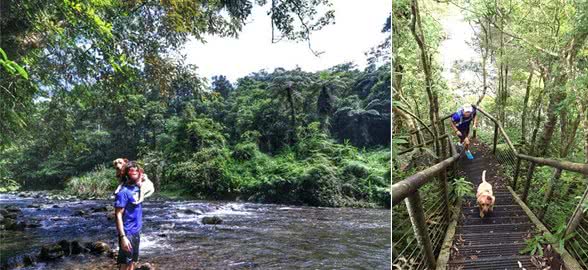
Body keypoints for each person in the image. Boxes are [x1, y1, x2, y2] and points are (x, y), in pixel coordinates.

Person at [114, 161, 144, 270]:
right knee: (124, 265)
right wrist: (123, 237)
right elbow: (118, 215)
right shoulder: (123, 192)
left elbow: (149, 186)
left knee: (132, 261)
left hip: (136, 231)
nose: (135, 171)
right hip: (127, 233)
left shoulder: (139, 188)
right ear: (127, 173)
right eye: (132, 170)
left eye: (137, 170)